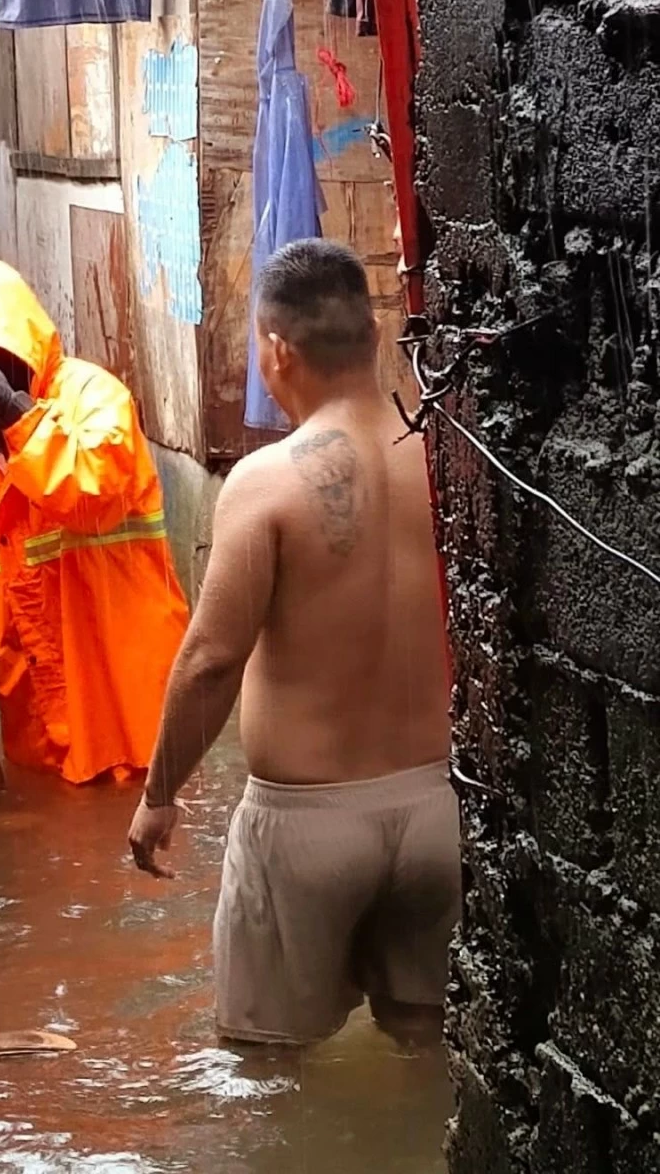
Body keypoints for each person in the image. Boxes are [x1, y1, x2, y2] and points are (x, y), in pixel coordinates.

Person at [128, 239, 457, 1047]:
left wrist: (159, 794)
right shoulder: (447, 455)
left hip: (308, 823)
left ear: (276, 351)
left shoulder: (268, 481)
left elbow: (211, 659)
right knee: (428, 1047)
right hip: (441, 808)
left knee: (262, 1064)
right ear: (374, 338)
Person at [0, 260, 188, 786]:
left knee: (136, 806)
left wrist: (18, 413)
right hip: (39, 705)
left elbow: (92, 491)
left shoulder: (94, 396)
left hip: (120, 687)